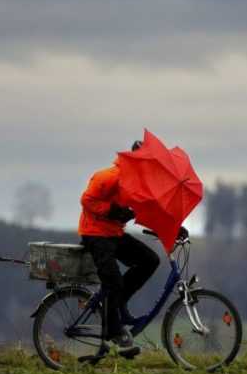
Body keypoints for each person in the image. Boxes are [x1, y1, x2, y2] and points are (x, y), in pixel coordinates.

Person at [78, 139, 186, 357]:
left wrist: (174, 229)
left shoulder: (137, 184)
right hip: (95, 234)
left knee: (149, 261)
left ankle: (117, 304)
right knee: (113, 281)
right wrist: (112, 211)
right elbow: (87, 200)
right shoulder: (110, 176)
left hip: (113, 234)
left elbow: (150, 212)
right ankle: (114, 332)